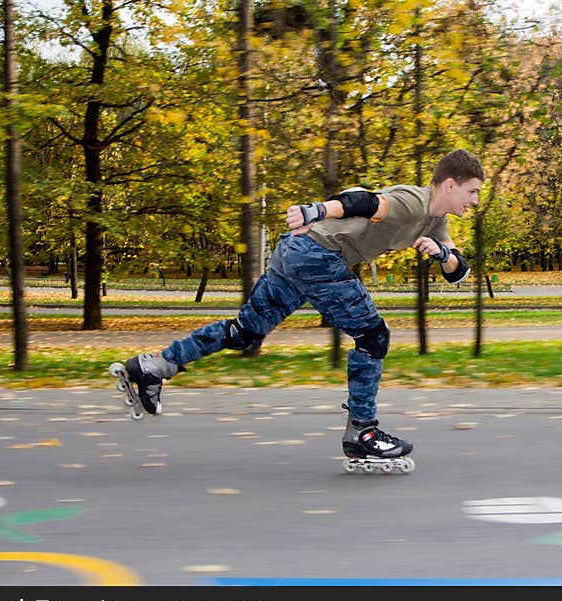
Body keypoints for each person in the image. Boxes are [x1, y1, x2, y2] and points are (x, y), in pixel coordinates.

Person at [118, 148, 484, 461]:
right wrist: (316, 211)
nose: (475, 201)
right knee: (374, 337)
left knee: (246, 332)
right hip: (317, 254)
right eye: (472, 192)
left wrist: (441, 255)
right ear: (449, 185)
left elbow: (458, 271)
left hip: (298, 253)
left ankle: (155, 367)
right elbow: (365, 201)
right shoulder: (412, 201)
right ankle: (362, 433)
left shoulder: (435, 221)